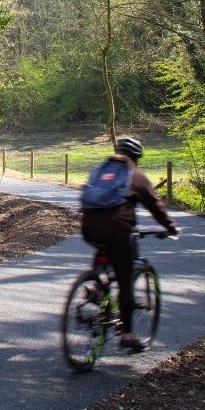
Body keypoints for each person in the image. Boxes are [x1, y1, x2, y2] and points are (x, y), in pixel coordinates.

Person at [81, 137, 179, 352]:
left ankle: (96, 285)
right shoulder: (136, 175)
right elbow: (155, 206)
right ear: (136, 158)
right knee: (125, 281)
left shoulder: (100, 170)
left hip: (88, 228)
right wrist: (171, 227)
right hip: (118, 232)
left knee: (103, 246)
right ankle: (127, 334)